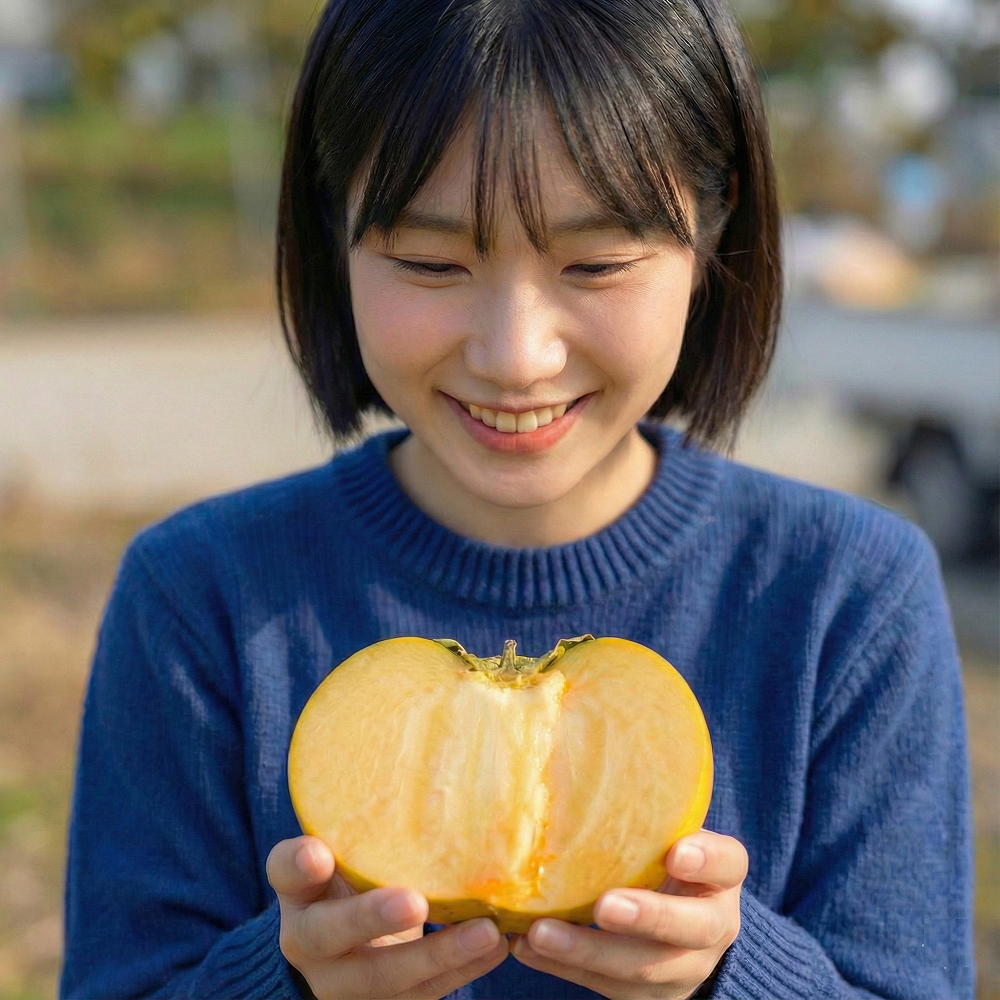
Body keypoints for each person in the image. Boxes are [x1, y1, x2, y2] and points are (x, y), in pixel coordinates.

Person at [60, 0, 974, 997]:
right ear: (333, 237)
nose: (515, 355)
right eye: (430, 263)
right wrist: (284, 979)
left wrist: (728, 969)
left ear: (713, 238)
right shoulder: (198, 595)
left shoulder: (848, 595)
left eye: (594, 264)